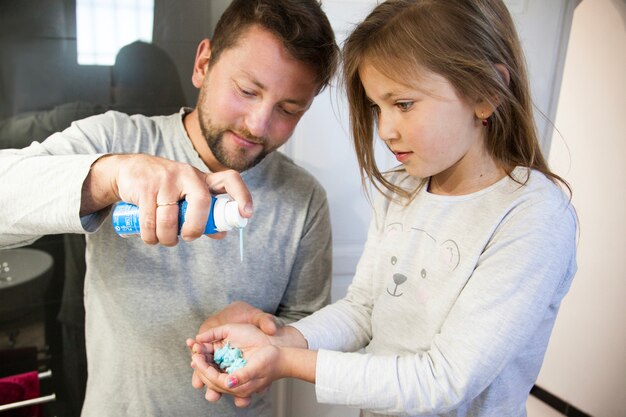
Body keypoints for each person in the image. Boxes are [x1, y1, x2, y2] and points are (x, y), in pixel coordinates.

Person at [188, 0, 578, 416]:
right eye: (377, 107)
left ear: (485, 93)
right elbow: (362, 311)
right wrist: (278, 342)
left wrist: (287, 361)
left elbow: (443, 379)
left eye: (404, 104)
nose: (386, 131)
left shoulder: (532, 215)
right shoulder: (402, 189)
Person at [0, 1, 339, 416]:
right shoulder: (115, 139)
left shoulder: (304, 199)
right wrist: (109, 176)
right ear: (203, 64)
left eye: (288, 110)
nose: (258, 125)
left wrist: (272, 334)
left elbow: (311, 324)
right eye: (247, 91)